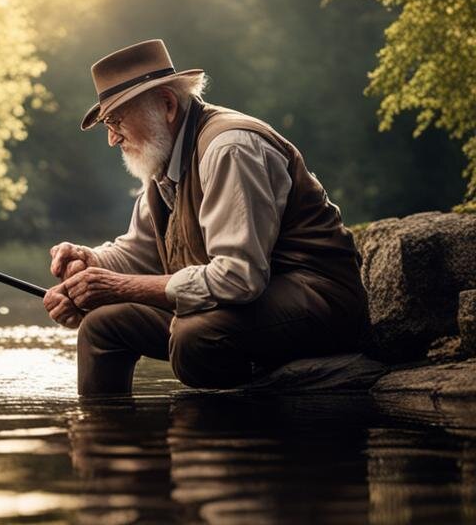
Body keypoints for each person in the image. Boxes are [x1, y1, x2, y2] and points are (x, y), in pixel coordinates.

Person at [43, 39, 369, 395]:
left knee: (195, 337)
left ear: (166, 104)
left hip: (319, 303)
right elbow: (137, 253)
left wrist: (118, 287)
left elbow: (238, 277)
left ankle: (237, 428)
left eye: (117, 120)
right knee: (102, 325)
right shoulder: (163, 163)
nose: (111, 138)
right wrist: (89, 263)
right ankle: (104, 442)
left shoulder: (230, 148)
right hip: (247, 305)